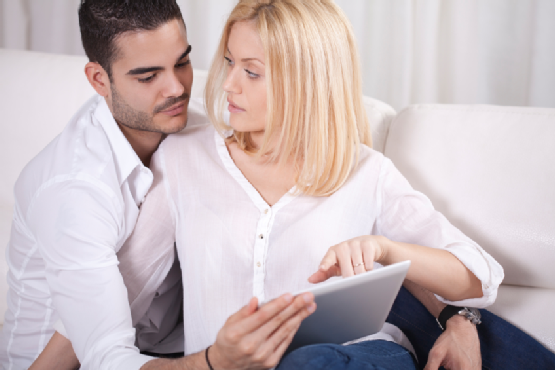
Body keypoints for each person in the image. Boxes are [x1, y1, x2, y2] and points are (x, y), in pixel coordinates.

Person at [116, 0, 506, 369]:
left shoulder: (367, 172)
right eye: (230, 62)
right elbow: (120, 297)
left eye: (251, 72)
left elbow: (478, 276)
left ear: (305, 81)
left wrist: (385, 249)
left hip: (353, 360)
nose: (229, 84)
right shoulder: (184, 158)